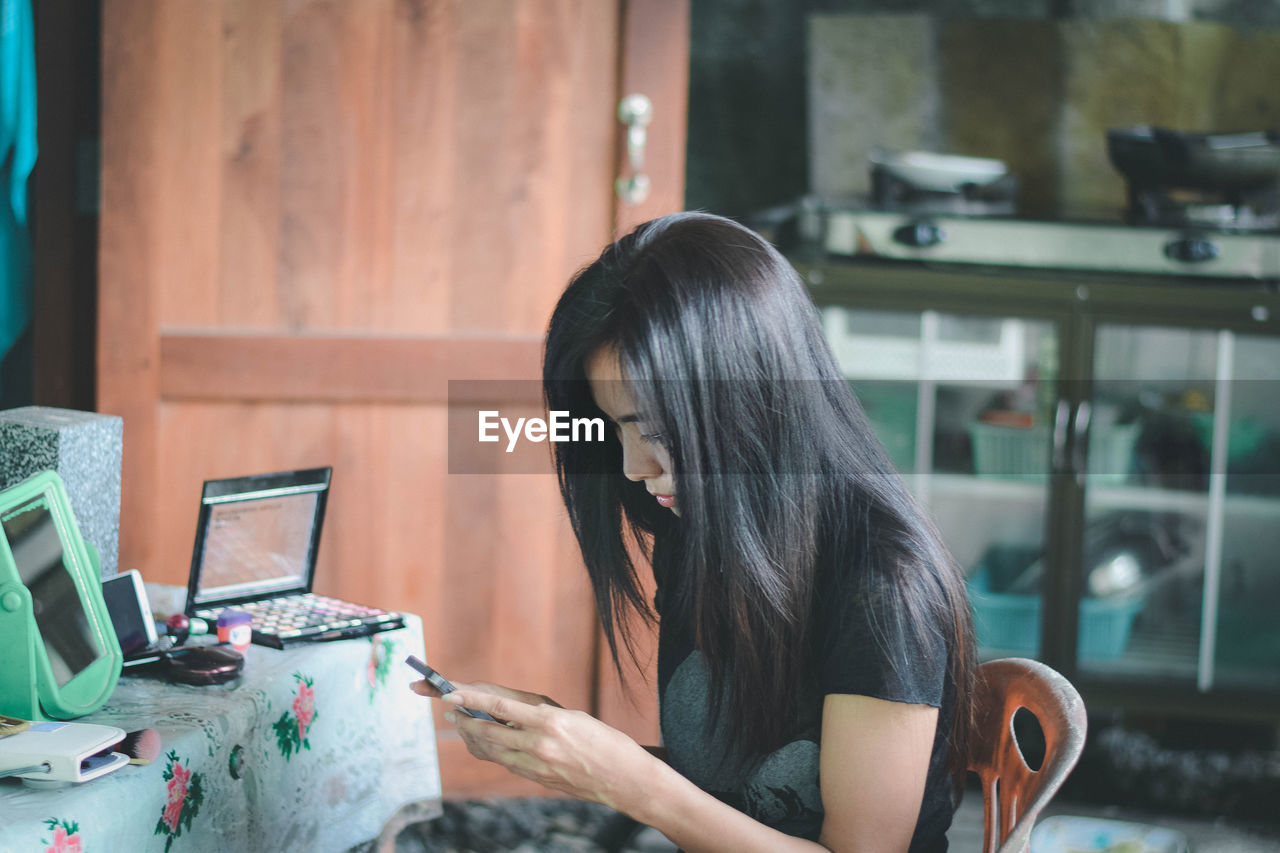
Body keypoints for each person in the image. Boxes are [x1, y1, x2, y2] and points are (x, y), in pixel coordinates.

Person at [413, 212, 976, 852]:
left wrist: (633, 783)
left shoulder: (883, 587)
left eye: (654, 430)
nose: (633, 467)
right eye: (615, 428)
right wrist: (567, 743)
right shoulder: (698, 534)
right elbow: (747, 782)